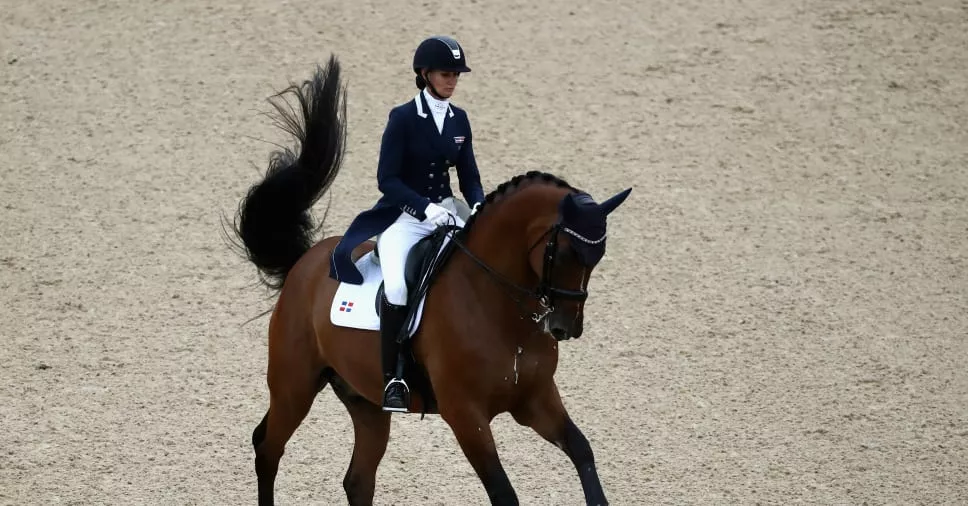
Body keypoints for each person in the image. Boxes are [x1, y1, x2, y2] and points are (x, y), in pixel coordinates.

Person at [327, 35, 485, 412]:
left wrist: (479, 206)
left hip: (449, 211)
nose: (452, 81)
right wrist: (423, 208)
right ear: (425, 74)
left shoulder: (459, 120)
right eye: (446, 74)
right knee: (397, 287)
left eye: (456, 75)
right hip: (406, 217)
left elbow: (470, 176)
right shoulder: (402, 118)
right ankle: (395, 378)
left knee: (480, 268)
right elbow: (387, 179)